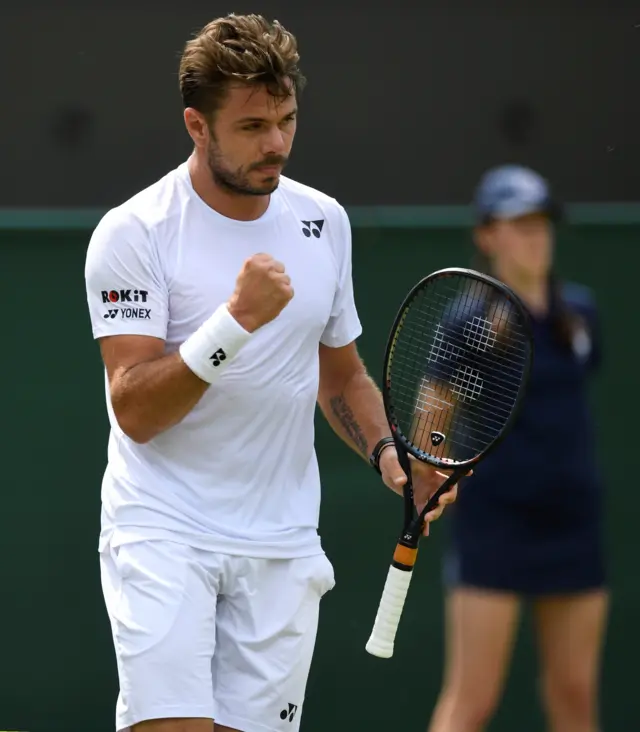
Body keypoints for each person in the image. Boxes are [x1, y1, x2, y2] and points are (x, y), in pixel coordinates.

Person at [84, 14, 461, 732]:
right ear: (197, 126)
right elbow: (133, 409)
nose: (278, 144)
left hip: (281, 542)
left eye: (287, 120)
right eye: (253, 126)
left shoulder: (325, 222)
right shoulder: (133, 233)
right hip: (163, 528)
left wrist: (391, 456)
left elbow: (342, 378)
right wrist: (234, 321)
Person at [427, 164, 609, 732]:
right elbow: (432, 422)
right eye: (519, 225)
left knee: (575, 693)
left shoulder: (580, 315)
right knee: (472, 700)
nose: (536, 237)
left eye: (541, 224)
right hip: (496, 526)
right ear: (487, 236)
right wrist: (428, 478)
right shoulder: (467, 323)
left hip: (574, 523)